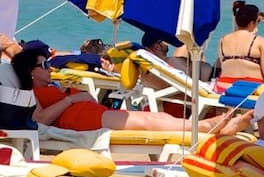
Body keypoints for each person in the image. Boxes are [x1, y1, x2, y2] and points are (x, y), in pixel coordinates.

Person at [15, 46, 250, 134]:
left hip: (90, 112)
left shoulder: (50, 86)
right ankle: (206, 127)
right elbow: (40, 119)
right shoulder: (31, 92)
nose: (49, 67)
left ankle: (204, 126)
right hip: (81, 119)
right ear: (30, 72)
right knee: (146, 123)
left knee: (157, 117)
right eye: (43, 65)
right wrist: (70, 100)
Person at [217, 1, 264, 90]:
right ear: (252, 23)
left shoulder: (223, 40)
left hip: (224, 86)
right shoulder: (259, 41)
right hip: (250, 88)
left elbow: (223, 65)